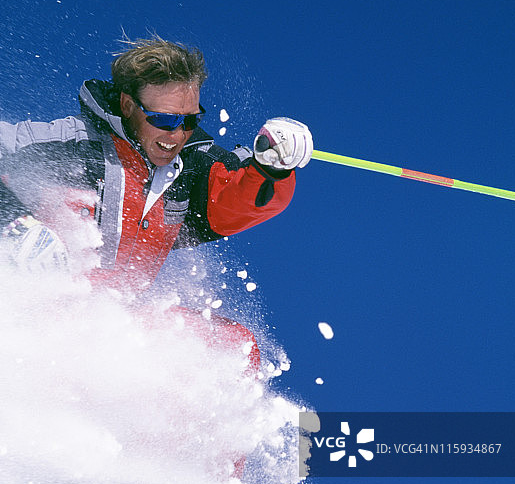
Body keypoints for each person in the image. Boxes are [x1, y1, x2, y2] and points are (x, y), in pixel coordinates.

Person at [0, 36, 313, 292]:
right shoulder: (75, 143)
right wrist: (15, 226)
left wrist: (271, 166)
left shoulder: (189, 168)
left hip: (111, 322)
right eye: (163, 119)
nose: (176, 135)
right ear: (128, 105)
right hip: (42, 298)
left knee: (234, 341)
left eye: (189, 121)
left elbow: (236, 197)